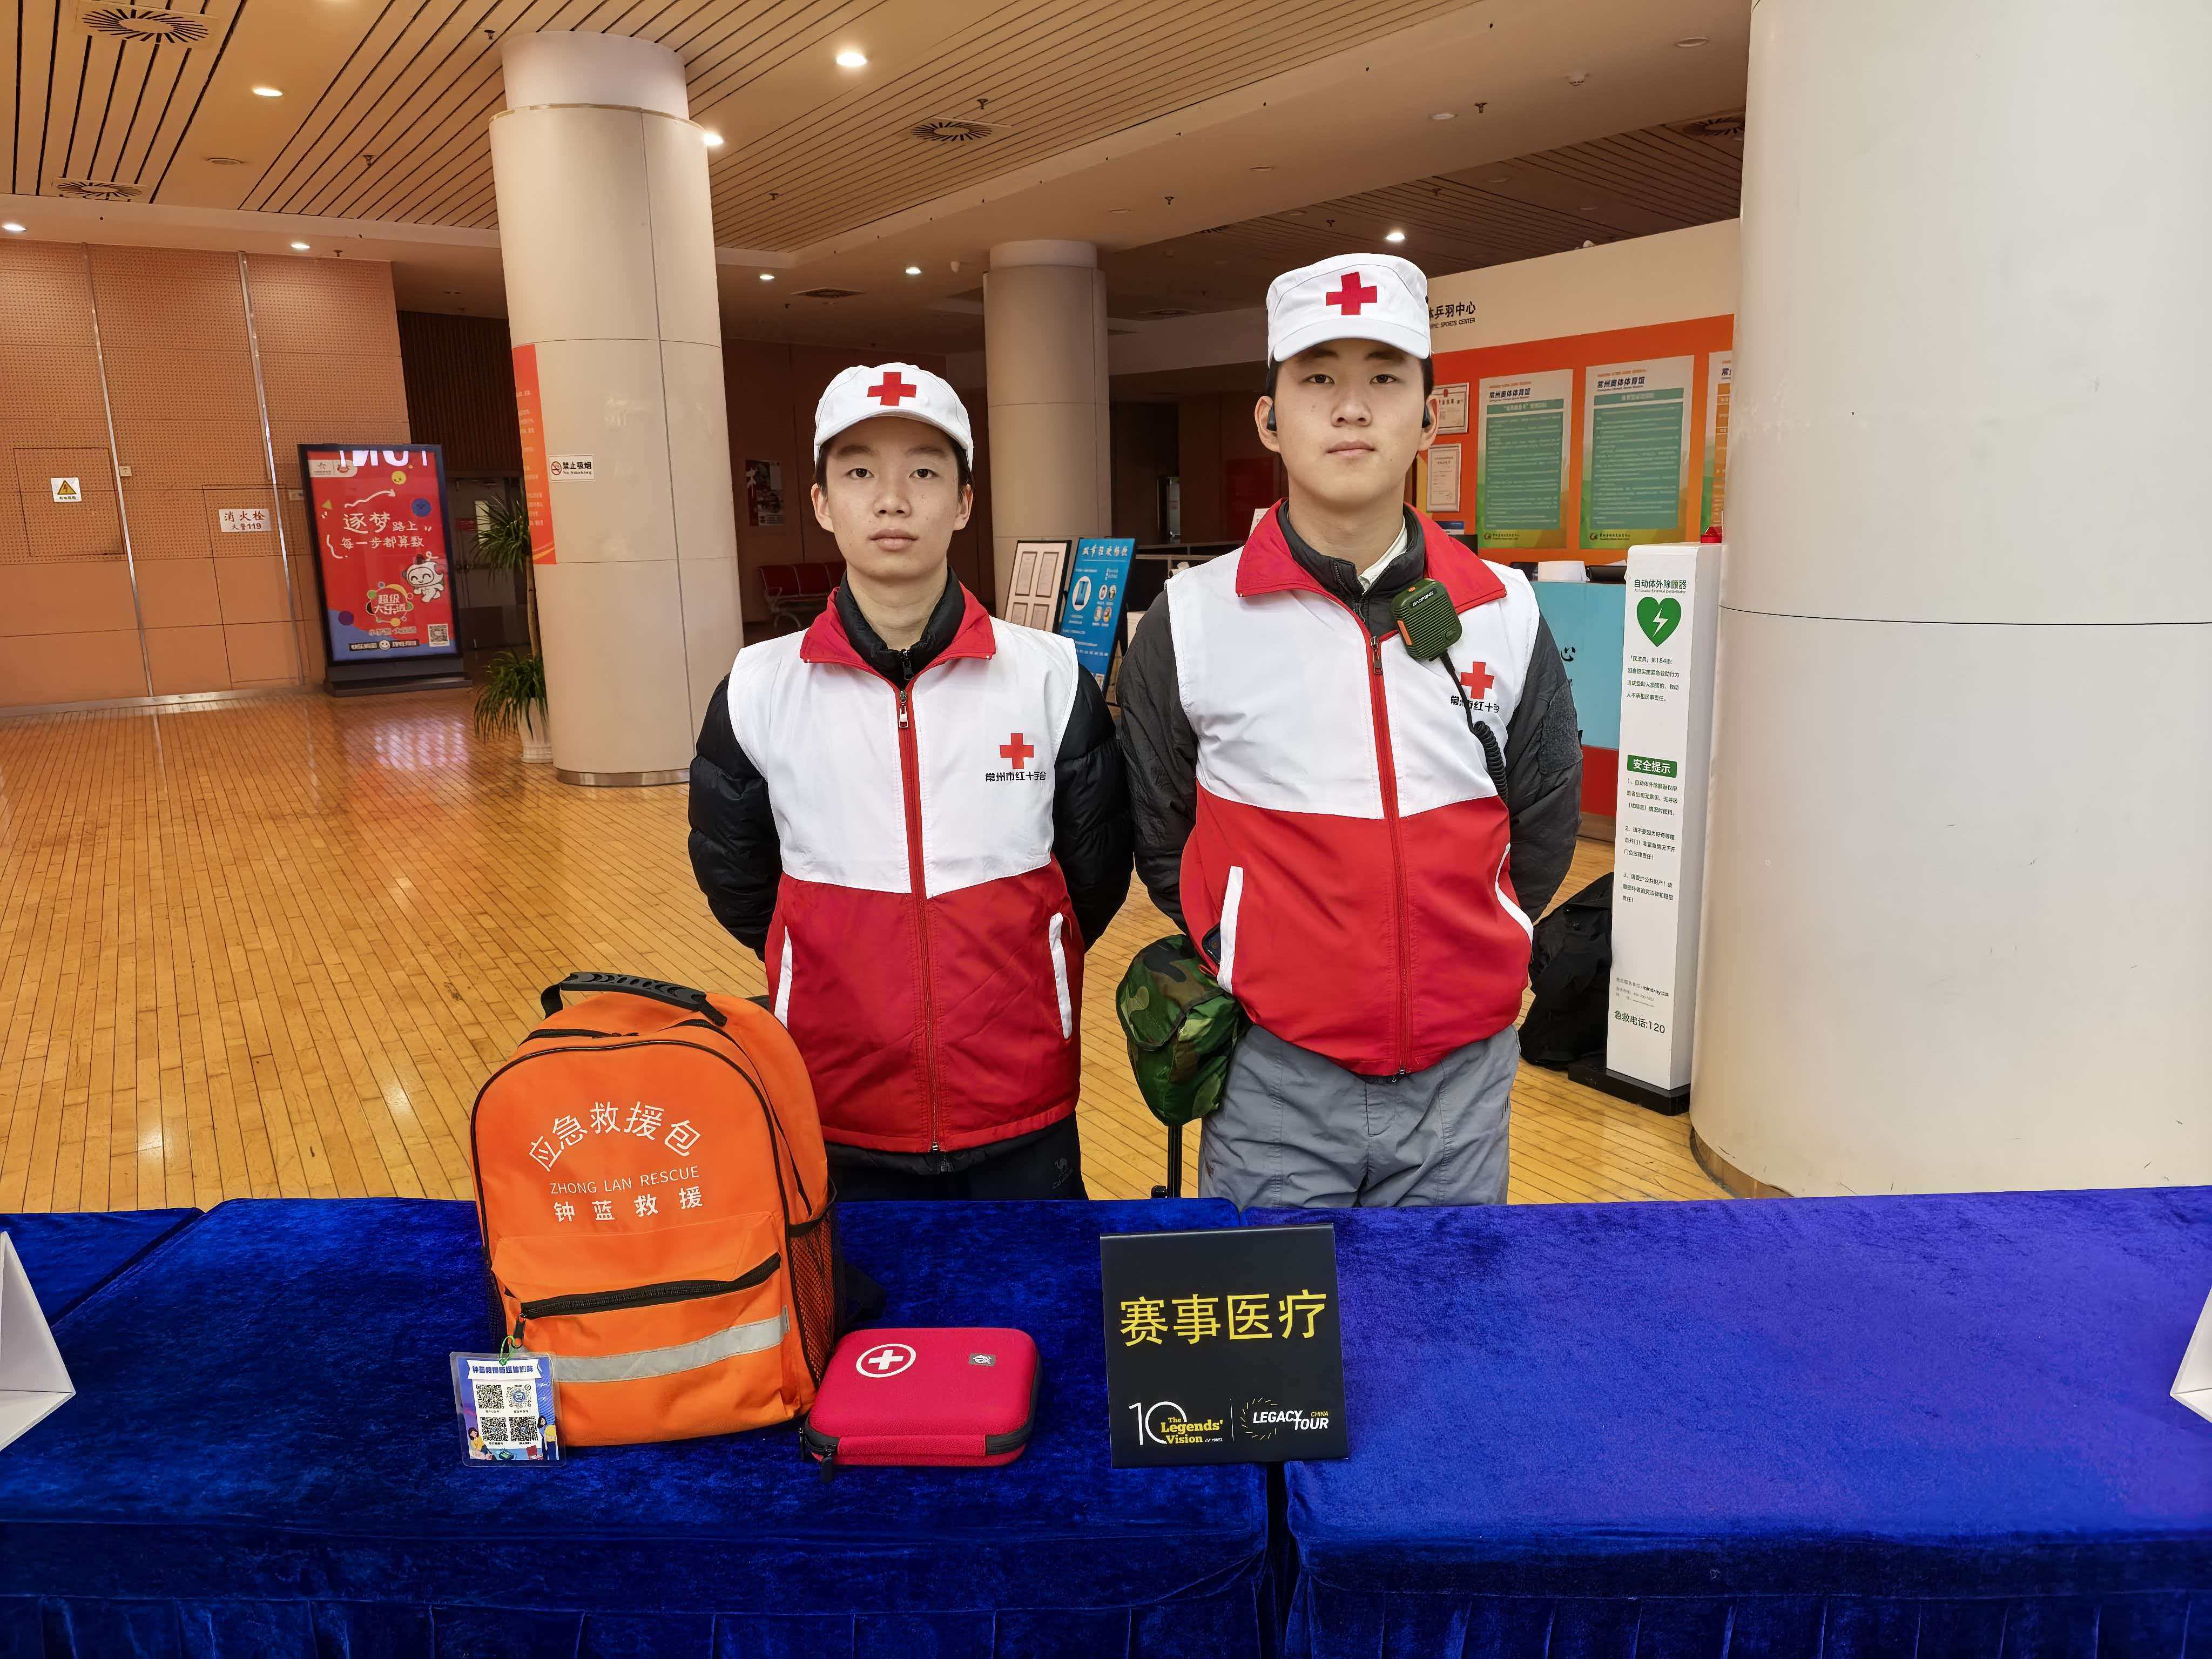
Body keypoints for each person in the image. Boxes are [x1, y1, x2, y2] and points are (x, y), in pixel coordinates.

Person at [1116, 255, 1582, 1208]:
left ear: (1431, 416)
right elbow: (1163, 834)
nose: (1353, 407)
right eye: (1319, 376)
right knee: (1273, 1309)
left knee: (1446, 1307)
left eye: (1385, 377)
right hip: (1272, 1080)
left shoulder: (1505, 612)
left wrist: (1465, 958)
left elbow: (1543, 825)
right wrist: (1243, 945)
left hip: (1462, 1086)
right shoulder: (1194, 619)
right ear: (1269, 417)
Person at [689, 362, 1131, 1200]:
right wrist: (823, 956)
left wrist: (1025, 959)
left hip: (1020, 1100)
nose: (892, 500)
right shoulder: (758, 687)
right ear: (823, 502)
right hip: (835, 1098)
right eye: (859, 473)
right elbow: (737, 876)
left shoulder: (1048, 677)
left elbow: (1095, 873)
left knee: (1033, 1289)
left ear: (963, 502)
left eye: (924, 473)